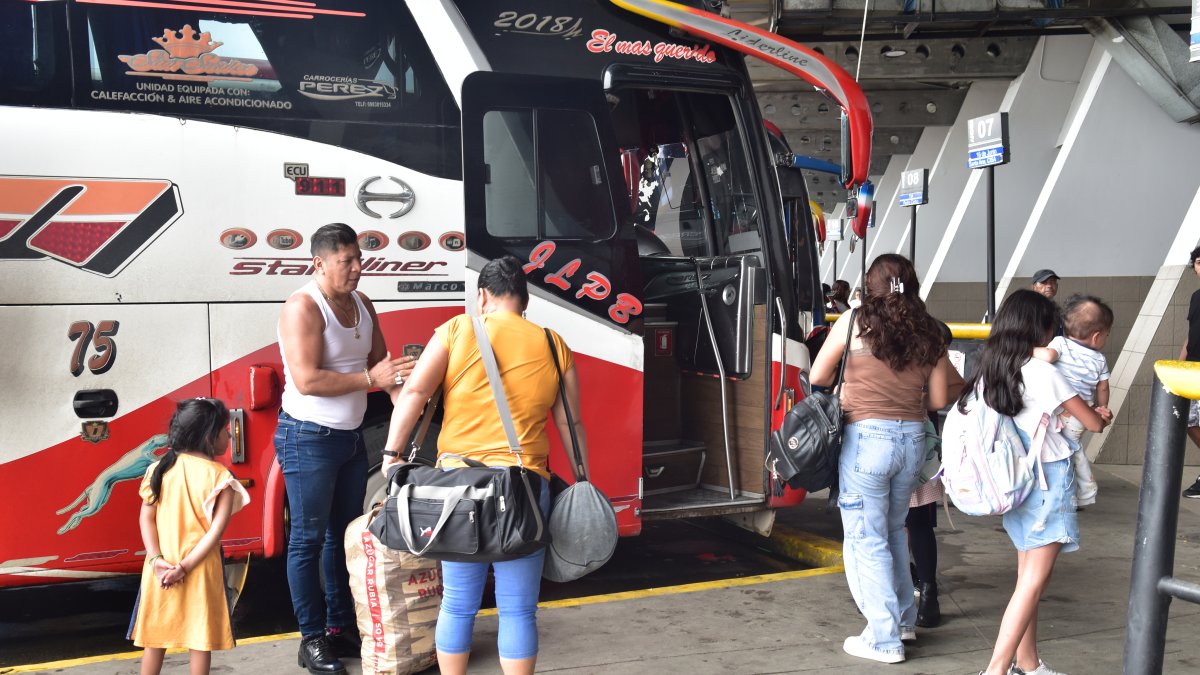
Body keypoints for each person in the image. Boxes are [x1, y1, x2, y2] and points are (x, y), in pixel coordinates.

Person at [379, 255, 588, 675]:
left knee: (457, 603)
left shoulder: (457, 330)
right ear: (525, 301)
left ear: (482, 296)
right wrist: (584, 480)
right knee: (518, 610)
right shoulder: (552, 343)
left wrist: (391, 455)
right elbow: (570, 421)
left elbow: (417, 392)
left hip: (460, 490)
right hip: (524, 488)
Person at [810, 253, 964, 664]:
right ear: (911, 284)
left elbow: (818, 377)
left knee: (866, 538)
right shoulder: (929, 331)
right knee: (895, 532)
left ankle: (883, 639)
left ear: (871, 284)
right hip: (912, 439)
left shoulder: (854, 321)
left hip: (866, 441)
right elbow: (937, 399)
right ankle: (903, 622)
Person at [276, 223, 415, 675]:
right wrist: (370, 381)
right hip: (308, 438)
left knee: (343, 534)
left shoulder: (363, 303)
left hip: (351, 438)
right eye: (346, 262)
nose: (357, 268)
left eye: (359, 259)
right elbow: (307, 380)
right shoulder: (303, 307)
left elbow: (382, 367)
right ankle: (311, 639)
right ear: (319, 263)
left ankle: (339, 629)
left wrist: (408, 411)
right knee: (307, 540)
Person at [969, 290, 1110, 675]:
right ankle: (996, 669)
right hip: (1047, 480)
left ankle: (1027, 664)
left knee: (1025, 580)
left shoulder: (992, 367)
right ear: (1039, 329)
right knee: (1032, 583)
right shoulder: (1044, 373)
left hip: (1016, 481)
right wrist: (1101, 412)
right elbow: (1093, 423)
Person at [128, 398, 250, 675]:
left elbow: (146, 518)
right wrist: (184, 567)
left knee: (154, 640)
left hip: (160, 570)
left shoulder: (158, 469)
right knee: (199, 641)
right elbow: (214, 533)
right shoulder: (220, 477)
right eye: (224, 431)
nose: (230, 435)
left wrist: (157, 559)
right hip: (200, 571)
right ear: (209, 436)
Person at [1032, 294, 1114, 508]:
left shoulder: (1060, 343)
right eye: (1107, 335)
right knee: (1071, 448)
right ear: (1096, 337)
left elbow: (1049, 357)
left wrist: (1023, 349)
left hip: (1060, 410)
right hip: (1082, 414)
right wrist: (1101, 407)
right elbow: (1102, 386)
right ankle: (1080, 491)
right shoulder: (1100, 359)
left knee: (1065, 451)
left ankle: (1082, 490)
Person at [907, 320, 955, 629]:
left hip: (876, 441)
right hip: (919, 444)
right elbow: (948, 394)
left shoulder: (876, 338)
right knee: (918, 523)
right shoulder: (931, 348)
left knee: (894, 525)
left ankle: (916, 593)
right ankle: (928, 595)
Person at [1180, 246, 1200, 499]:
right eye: (1198, 262)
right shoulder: (1196, 297)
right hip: (1193, 369)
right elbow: (1191, 335)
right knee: (1188, 420)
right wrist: (1179, 364)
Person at [1031, 269, 1064, 337]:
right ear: (1034, 287)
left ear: (1057, 286)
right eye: (1044, 282)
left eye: (1052, 282)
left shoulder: (1056, 310)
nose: (1049, 286)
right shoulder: (1028, 308)